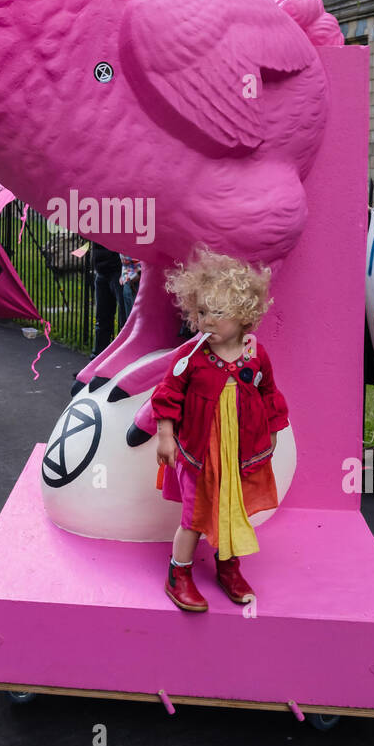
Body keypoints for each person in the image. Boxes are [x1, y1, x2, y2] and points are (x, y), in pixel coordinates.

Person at [151, 249, 289, 614]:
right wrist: (166, 435)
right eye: (200, 312)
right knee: (195, 516)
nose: (205, 320)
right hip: (198, 453)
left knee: (232, 509)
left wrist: (273, 431)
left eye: (218, 312)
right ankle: (178, 573)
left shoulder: (255, 355)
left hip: (239, 454)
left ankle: (228, 567)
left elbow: (269, 393)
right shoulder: (191, 355)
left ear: (245, 316)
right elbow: (167, 395)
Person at [89, 243, 125, 360]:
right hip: (102, 268)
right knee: (102, 320)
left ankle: (118, 362)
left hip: (118, 269)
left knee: (123, 323)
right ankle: (97, 361)